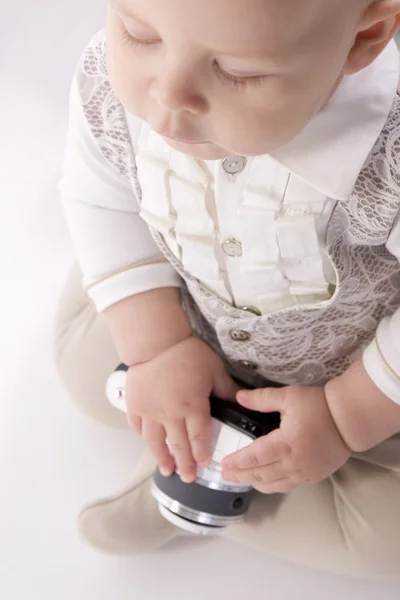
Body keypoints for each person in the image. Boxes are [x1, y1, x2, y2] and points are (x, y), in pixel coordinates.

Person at [55, 0, 400, 576]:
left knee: (385, 541)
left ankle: (201, 486)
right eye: (138, 33)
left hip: (351, 372)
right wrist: (157, 348)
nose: (167, 100)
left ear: (362, 40)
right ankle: (208, 454)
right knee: (79, 369)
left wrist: (347, 415)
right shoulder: (112, 82)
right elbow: (99, 196)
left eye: (239, 72)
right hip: (191, 315)